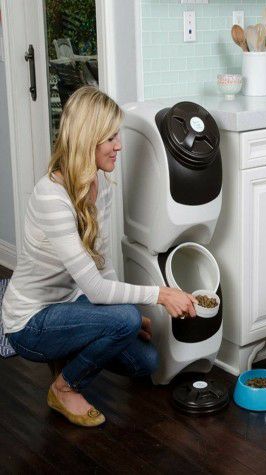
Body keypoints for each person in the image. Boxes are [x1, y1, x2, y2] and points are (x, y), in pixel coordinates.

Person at [0, 86, 197, 427]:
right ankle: (64, 388)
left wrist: (122, 315)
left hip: (69, 305)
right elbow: (94, 288)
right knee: (127, 320)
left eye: (117, 135)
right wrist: (159, 297)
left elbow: (102, 265)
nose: (119, 145)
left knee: (146, 362)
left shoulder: (99, 183)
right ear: (86, 139)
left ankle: (67, 353)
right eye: (110, 138)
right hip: (30, 322)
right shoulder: (51, 196)